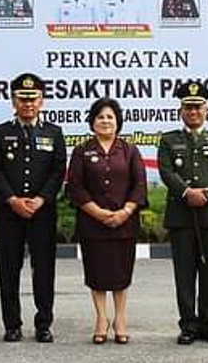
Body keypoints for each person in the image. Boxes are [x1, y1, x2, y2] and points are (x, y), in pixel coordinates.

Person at [0, 73, 66, 343]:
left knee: (44, 270)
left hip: (42, 213)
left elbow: (58, 171)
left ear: (41, 100)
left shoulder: (53, 132)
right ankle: (12, 325)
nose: (28, 104)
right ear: (13, 100)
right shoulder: (1, 131)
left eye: (33, 99)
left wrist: (41, 199)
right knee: (8, 270)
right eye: (23, 99)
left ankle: (43, 324)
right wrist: (13, 200)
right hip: (10, 212)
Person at [157, 81, 208, 346]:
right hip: (181, 217)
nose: (193, 112)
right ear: (181, 111)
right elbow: (166, 172)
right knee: (185, 273)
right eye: (188, 107)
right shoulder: (169, 140)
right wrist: (187, 193)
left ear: (206, 110)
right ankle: (188, 324)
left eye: (198, 107)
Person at [67, 98, 147, 345]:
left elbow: (140, 184)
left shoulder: (130, 150)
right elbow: (75, 187)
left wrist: (126, 211)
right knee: (97, 272)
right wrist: (97, 213)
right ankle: (101, 318)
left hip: (125, 223)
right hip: (93, 224)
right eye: (100, 117)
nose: (105, 121)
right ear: (92, 121)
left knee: (121, 274)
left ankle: (120, 319)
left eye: (110, 117)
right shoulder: (82, 150)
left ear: (118, 122)